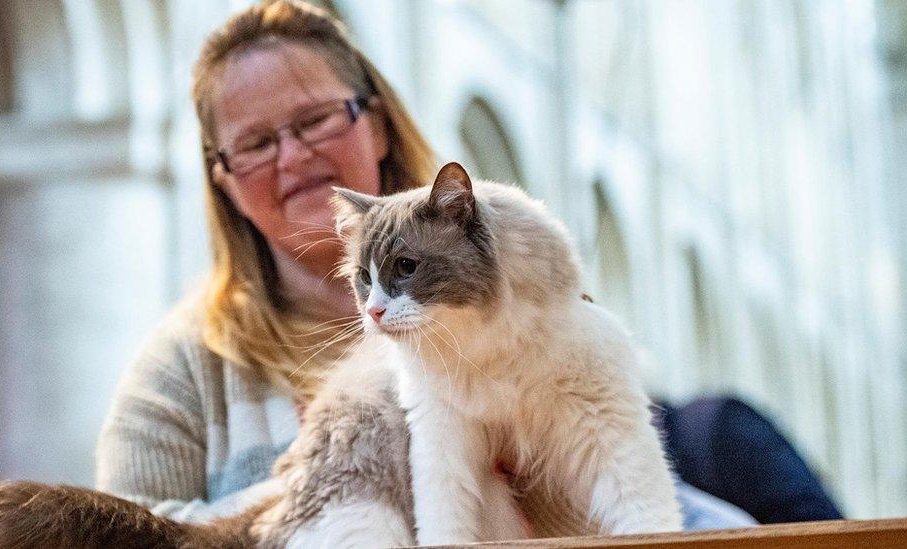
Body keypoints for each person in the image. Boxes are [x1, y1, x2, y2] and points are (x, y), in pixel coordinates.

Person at [95, 0, 760, 532]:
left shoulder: (517, 298)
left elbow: (639, 491)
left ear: (377, 122)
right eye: (256, 142)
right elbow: (132, 533)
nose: (292, 156)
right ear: (222, 179)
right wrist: (327, 479)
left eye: (316, 119)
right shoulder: (180, 369)